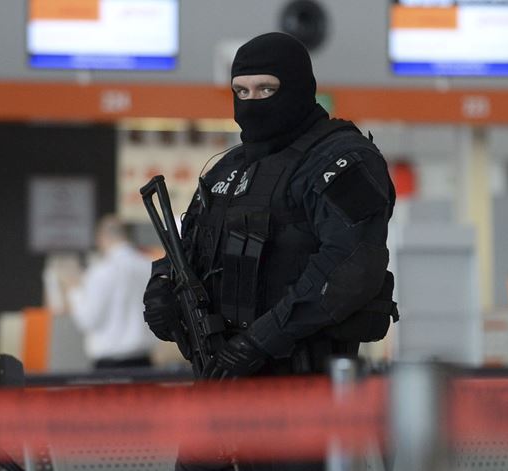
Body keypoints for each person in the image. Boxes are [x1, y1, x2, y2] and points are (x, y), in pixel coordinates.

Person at [142, 32, 397, 468]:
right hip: (218, 387)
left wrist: (261, 340)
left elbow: (352, 265)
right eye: (241, 91)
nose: (252, 101)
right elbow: (187, 250)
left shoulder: (340, 160)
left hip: (303, 397)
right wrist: (161, 293)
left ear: (298, 88)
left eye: (266, 89)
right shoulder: (228, 170)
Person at [65, 215, 158, 369]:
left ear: (102, 238)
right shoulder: (148, 266)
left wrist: (74, 290)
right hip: (144, 362)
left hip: (109, 367)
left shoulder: (101, 271)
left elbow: (88, 319)